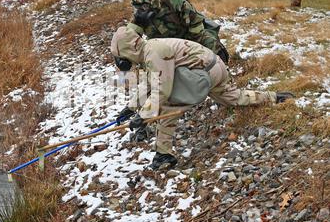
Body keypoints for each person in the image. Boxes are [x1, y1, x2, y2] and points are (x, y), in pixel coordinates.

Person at [112, 24, 294, 170]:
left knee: (168, 106)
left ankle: (163, 155)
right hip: (213, 68)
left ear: (128, 50)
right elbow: (150, 83)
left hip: (204, 73)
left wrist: (144, 116)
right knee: (233, 97)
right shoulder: (150, 50)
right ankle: (273, 97)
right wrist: (131, 108)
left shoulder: (154, 53)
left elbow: (161, 89)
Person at [131, 0, 230, 64]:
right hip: (161, 47)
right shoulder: (139, 15)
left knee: (214, 47)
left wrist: (190, 49)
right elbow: (130, 37)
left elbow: (195, 23)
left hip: (188, 37)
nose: (143, 9)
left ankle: (222, 73)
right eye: (138, 7)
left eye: (145, 6)